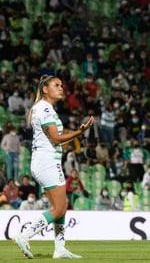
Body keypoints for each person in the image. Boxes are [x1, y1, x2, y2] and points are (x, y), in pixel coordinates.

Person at [14, 74, 94, 259]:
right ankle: (24, 235)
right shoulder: (45, 109)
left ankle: (60, 249)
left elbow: (54, 134)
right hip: (47, 162)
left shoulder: (42, 108)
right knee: (58, 208)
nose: (61, 88)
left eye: (61, 85)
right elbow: (56, 138)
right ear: (45, 89)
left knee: (61, 207)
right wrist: (80, 132)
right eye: (56, 85)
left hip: (44, 161)